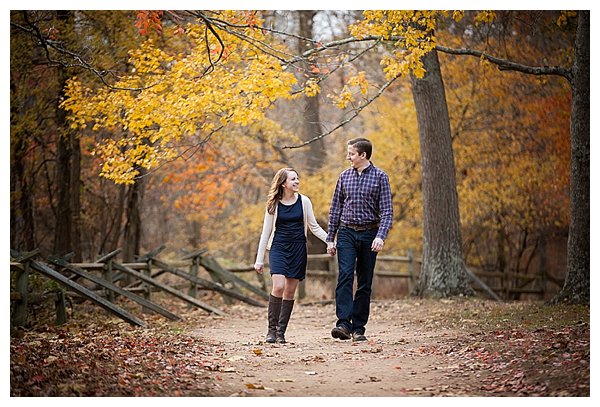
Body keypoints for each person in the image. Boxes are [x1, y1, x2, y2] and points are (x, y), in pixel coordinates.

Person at [326, 137, 393, 342]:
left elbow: (387, 212)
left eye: (351, 154)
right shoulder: (344, 177)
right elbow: (335, 208)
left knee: (364, 281)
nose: (348, 157)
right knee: (345, 275)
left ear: (363, 155)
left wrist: (381, 236)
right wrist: (330, 238)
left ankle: (359, 328)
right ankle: (343, 324)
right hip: (346, 232)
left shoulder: (381, 177)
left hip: (370, 233)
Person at [255, 167, 329, 344]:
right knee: (278, 286)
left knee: (289, 291)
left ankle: (281, 333)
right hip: (279, 248)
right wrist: (259, 260)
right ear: (283, 184)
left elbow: (314, 226)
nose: (297, 182)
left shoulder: (304, 201)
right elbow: (265, 233)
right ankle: (271, 331)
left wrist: (331, 241)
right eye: (293, 179)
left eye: (297, 178)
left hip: (298, 249)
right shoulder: (273, 204)